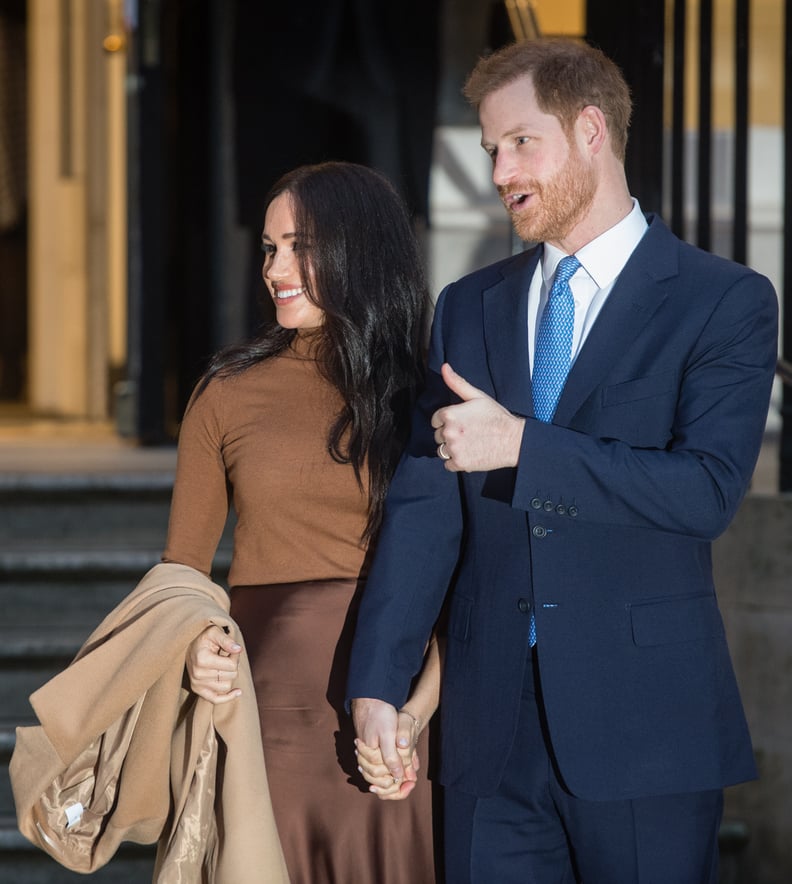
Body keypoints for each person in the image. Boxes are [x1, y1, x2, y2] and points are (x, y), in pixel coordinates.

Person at [347, 38, 779, 884]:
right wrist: (380, 681)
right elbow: (425, 509)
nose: (499, 172)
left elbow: (707, 492)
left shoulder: (722, 301)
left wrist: (523, 447)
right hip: (487, 727)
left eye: (519, 143)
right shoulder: (469, 306)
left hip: (647, 728)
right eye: (490, 151)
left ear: (590, 131)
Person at [161, 161, 439, 884]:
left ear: (359, 250)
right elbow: (181, 574)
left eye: (300, 246)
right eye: (270, 248)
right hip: (267, 710)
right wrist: (194, 648)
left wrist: (417, 712)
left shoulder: (425, 395)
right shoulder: (226, 391)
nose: (275, 268)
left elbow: (463, 579)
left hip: (401, 712)